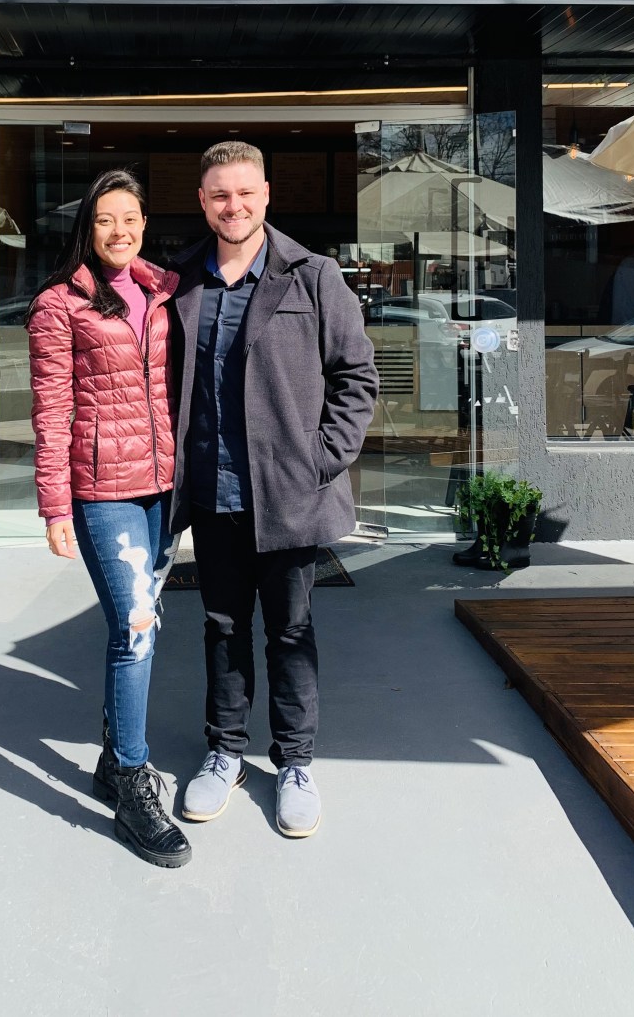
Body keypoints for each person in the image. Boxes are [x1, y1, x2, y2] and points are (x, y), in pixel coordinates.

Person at [171, 142, 378, 837]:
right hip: (213, 491)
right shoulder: (181, 281)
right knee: (223, 627)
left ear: (265, 195)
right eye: (219, 195)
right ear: (204, 202)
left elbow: (356, 376)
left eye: (244, 193)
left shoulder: (313, 275)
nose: (233, 206)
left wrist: (323, 460)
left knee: (291, 631)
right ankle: (225, 751)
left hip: (290, 493)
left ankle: (295, 762)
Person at [25, 170, 190, 869]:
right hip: (104, 490)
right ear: (86, 229)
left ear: (145, 224)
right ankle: (130, 779)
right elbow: (51, 410)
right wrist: (55, 506)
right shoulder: (59, 305)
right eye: (104, 220)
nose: (119, 231)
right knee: (135, 627)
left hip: (163, 488)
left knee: (144, 625)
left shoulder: (164, 291)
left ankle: (108, 758)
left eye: (130, 218)